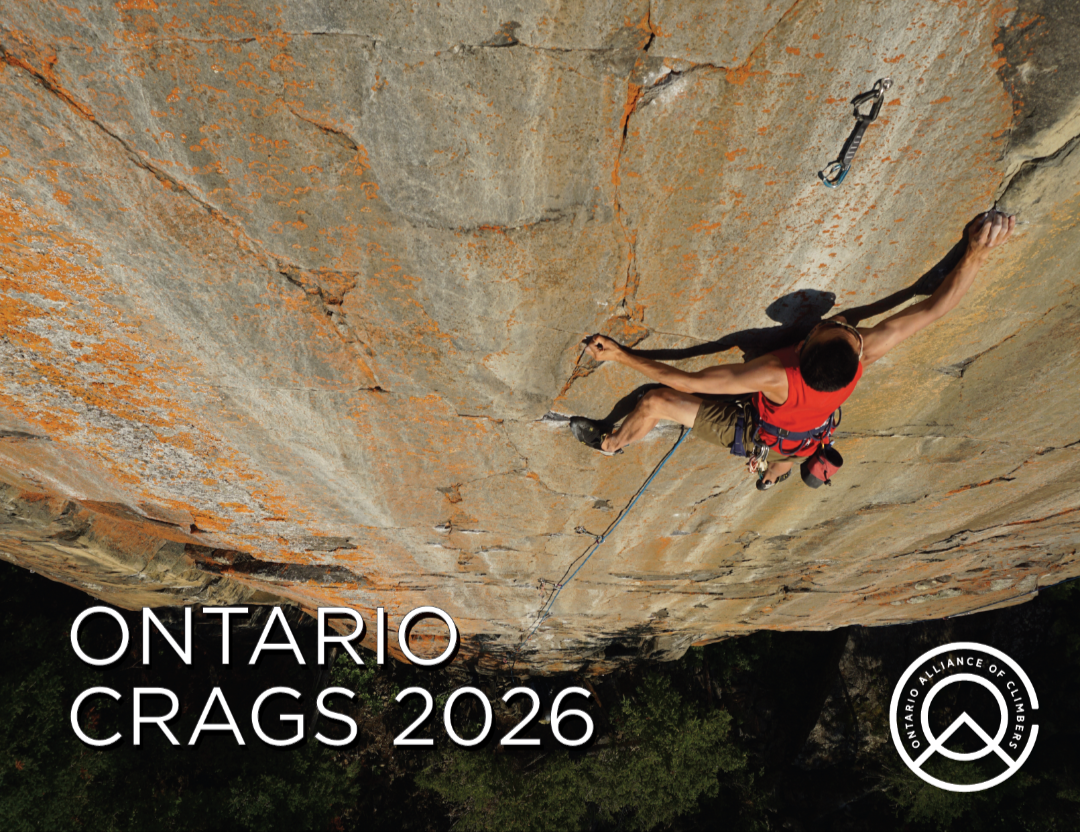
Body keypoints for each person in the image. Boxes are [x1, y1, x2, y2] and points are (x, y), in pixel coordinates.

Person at [571, 210, 1016, 490]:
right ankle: (774, 475)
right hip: (802, 441)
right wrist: (977, 252)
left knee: (654, 402)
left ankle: (611, 444)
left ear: (804, 346)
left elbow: (682, 382)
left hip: (760, 431)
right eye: (840, 327)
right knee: (785, 454)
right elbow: (935, 308)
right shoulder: (865, 350)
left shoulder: (775, 374)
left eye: (837, 328)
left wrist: (619, 355)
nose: (840, 323)